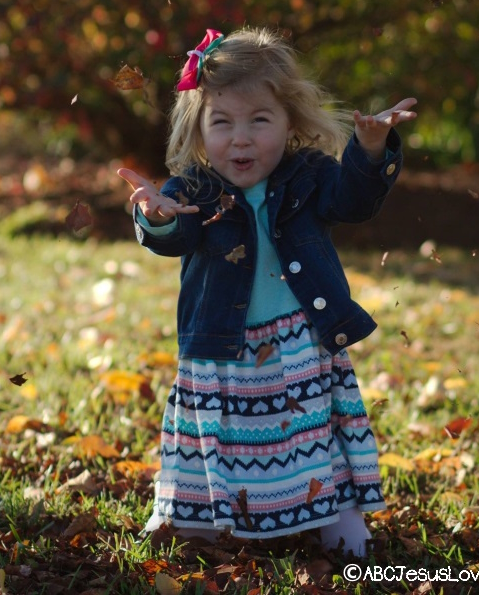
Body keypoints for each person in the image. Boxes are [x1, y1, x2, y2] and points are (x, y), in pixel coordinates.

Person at [118, 27, 416, 556]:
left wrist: (370, 151)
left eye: (260, 120)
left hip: (301, 341)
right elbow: (175, 234)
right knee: (225, 435)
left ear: (290, 122)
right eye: (222, 122)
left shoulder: (309, 176)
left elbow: (353, 202)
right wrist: (156, 216)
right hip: (222, 349)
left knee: (313, 431)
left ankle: (336, 519)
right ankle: (200, 517)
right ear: (198, 128)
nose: (241, 138)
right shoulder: (192, 188)